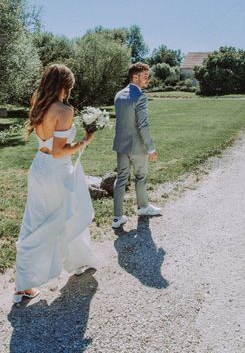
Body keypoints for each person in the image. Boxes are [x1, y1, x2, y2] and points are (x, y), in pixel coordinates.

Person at [13, 64, 99, 303]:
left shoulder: (39, 104)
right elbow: (59, 151)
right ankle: (76, 261)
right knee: (63, 217)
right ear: (66, 86)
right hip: (55, 173)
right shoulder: (64, 110)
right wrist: (85, 141)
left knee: (34, 223)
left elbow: (49, 146)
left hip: (38, 169)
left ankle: (23, 285)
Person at [111, 62, 161, 229]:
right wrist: (151, 148)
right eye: (145, 76)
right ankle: (143, 207)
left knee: (121, 179)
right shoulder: (140, 97)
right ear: (135, 76)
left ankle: (117, 217)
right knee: (141, 176)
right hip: (138, 147)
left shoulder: (118, 95)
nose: (148, 79)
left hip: (121, 145)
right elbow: (143, 125)